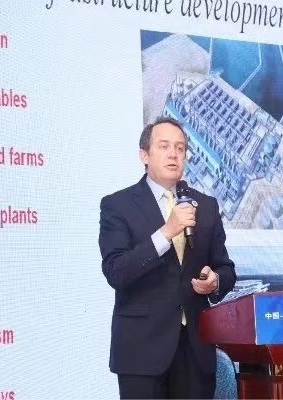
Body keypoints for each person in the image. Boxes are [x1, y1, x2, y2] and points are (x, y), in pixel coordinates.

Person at [99, 116, 236, 399]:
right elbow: (116, 271)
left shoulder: (206, 206)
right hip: (142, 351)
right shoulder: (118, 205)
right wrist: (166, 232)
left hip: (195, 350)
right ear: (144, 155)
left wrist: (214, 281)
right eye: (164, 146)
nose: (173, 154)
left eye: (180, 148)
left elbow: (226, 269)